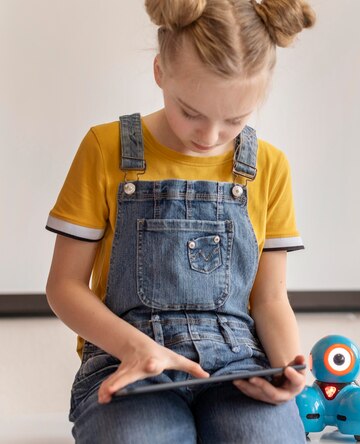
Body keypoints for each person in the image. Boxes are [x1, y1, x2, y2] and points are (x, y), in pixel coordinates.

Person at [45, 0, 315, 442]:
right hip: (126, 357)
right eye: (190, 111)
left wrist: (288, 370)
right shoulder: (105, 147)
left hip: (237, 363)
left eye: (235, 120)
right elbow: (63, 287)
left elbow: (269, 299)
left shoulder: (270, 165)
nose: (208, 137)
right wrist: (138, 348)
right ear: (159, 72)